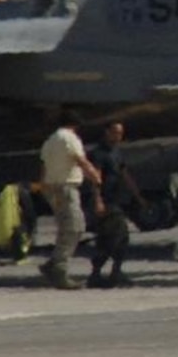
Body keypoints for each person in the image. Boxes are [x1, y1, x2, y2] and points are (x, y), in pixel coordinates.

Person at [39, 110, 101, 289]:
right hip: (66, 188)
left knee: (65, 227)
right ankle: (58, 267)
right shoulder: (69, 138)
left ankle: (54, 264)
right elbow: (79, 159)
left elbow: (43, 166)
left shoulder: (50, 140)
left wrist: (45, 189)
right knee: (75, 227)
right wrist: (94, 175)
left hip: (53, 188)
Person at [85, 121, 138, 288]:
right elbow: (95, 178)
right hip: (106, 202)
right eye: (115, 132)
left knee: (116, 238)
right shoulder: (99, 154)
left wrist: (138, 195)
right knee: (116, 236)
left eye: (120, 133)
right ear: (106, 132)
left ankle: (113, 272)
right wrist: (98, 200)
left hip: (116, 201)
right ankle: (100, 274)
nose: (118, 136)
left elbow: (124, 174)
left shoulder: (116, 152)